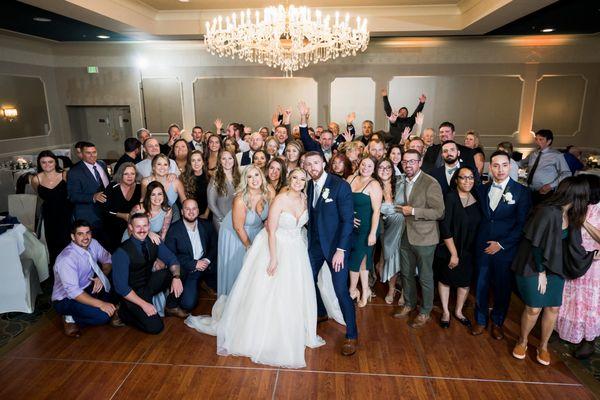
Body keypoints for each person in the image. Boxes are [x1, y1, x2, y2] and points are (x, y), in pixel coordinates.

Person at [186, 168, 339, 368]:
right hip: (275, 247)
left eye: (302, 179)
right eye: (295, 178)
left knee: (292, 290)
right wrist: (274, 258)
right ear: (289, 179)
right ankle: (264, 331)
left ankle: (289, 329)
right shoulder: (279, 199)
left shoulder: (305, 198)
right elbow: (271, 230)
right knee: (268, 289)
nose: (298, 182)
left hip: (297, 249)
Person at [512, 177, 591, 365]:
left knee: (553, 307)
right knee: (534, 308)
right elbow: (537, 246)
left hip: (555, 266)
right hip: (533, 264)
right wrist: (541, 272)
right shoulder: (547, 212)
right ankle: (522, 341)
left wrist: (590, 255)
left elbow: (572, 245)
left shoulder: (570, 215)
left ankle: (543, 346)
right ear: (577, 195)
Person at [472, 151, 531, 339]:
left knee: (502, 287)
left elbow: (522, 225)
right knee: (480, 285)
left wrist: (501, 244)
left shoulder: (521, 192)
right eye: (496, 165)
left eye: (504, 165)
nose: (500, 169)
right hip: (482, 246)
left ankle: (498, 321)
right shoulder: (481, 189)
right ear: (490, 167)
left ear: (510, 166)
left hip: (505, 250)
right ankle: (480, 320)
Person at [393, 150, 445, 329]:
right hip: (405, 235)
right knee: (406, 273)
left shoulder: (431, 183)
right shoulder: (401, 180)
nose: (408, 165)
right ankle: (409, 303)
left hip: (425, 238)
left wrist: (413, 211)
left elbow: (439, 212)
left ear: (420, 162)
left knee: (424, 276)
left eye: (412, 162)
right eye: (405, 162)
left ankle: (425, 311)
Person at [112, 213, 186, 334]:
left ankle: (171, 306)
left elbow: (172, 259)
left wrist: (176, 277)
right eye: (138, 227)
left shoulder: (153, 240)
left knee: (180, 271)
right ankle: (122, 312)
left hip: (148, 284)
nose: (142, 230)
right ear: (130, 227)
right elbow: (121, 288)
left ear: (149, 226)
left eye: (145, 226)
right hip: (131, 293)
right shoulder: (121, 252)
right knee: (155, 327)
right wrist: (144, 304)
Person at [557, 174, 600, 359]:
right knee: (570, 299)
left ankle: (588, 340)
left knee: (588, 303)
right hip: (573, 260)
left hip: (593, 264)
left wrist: (584, 221)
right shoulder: (577, 205)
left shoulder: (598, 209)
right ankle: (566, 330)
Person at [434, 166, 482, 329]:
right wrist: (454, 254)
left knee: (464, 282)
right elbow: (445, 227)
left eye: (470, 177)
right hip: (450, 247)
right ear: (456, 180)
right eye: (463, 177)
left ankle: (459, 311)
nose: (467, 181)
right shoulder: (450, 197)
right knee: (446, 280)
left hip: (469, 249)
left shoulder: (476, 196)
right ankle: (446, 311)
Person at [52, 220, 118, 337]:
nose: (85, 237)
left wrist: (100, 276)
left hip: (87, 288)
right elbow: (74, 292)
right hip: (66, 299)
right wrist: (101, 304)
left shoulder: (93, 243)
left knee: (116, 281)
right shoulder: (66, 259)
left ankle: (105, 307)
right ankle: (69, 317)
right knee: (103, 316)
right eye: (80, 234)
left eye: (87, 233)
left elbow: (108, 261)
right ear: (73, 236)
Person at [217, 165, 274, 296]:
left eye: (256, 175)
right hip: (235, 233)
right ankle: (232, 301)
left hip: (257, 232)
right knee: (240, 268)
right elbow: (238, 227)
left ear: (261, 176)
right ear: (245, 180)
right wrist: (249, 246)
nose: (254, 179)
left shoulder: (269, 190)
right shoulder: (240, 199)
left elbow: (273, 211)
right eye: (249, 177)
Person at [165, 199, 217, 312]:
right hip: (188, 270)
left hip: (206, 265)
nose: (191, 212)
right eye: (187, 209)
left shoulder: (206, 225)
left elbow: (215, 245)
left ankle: (205, 282)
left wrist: (207, 260)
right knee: (188, 304)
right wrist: (194, 264)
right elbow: (171, 256)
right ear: (182, 212)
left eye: (194, 209)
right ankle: (196, 284)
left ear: (198, 211)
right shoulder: (174, 230)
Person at [347, 157, 382, 307]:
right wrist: (349, 218)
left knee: (356, 259)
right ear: (359, 165)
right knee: (362, 261)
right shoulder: (351, 178)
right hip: (350, 227)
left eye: (370, 166)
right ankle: (366, 290)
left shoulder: (374, 185)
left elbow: (377, 211)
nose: (366, 168)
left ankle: (352, 291)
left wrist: (373, 233)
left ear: (374, 169)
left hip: (367, 228)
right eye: (363, 164)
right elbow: (343, 201)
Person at [31, 150, 72, 265]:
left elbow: (71, 194)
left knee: (68, 242)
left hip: (65, 213)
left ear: (55, 162)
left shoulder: (64, 175)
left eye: (50, 162)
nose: (47, 165)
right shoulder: (36, 179)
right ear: (39, 164)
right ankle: (57, 272)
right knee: (53, 244)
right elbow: (41, 196)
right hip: (49, 215)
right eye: (43, 162)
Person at [66, 142, 111, 248]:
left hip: (106, 213)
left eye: (94, 152)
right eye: (88, 153)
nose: (92, 155)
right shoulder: (75, 171)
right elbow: (72, 196)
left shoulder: (102, 164)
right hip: (89, 215)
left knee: (107, 245)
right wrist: (93, 197)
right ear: (82, 154)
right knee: (92, 246)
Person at [377, 158, 406, 305]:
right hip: (385, 229)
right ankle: (391, 288)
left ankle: (404, 292)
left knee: (403, 258)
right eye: (381, 167)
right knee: (390, 258)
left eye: (388, 167)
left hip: (403, 228)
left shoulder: (401, 182)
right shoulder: (374, 185)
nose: (384, 170)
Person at [519, 129, 572, 205]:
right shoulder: (533, 154)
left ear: (549, 141)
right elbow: (521, 163)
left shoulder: (557, 155)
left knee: (540, 213)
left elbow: (566, 173)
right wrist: (507, 160)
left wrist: (551, 186)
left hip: (545, 192)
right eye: (536, 139)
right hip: (530, 190)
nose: (537, 142)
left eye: (541, 139)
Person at [103, 163, 141, 252]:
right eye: (126, 174)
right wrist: (122, 215)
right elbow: (105, 209)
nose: (129, 176)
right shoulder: (113, 187)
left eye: (132, 174)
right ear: (121, 175)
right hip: (113, 226)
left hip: (134, 226)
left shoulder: (140, 188)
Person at [141, 154, 186, 222]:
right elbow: (143, 200)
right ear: (153, 167)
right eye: (159, 164)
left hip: (172, 216)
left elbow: (184, 201)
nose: (162, 167)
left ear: (168, 168)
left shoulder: (176, 182)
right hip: (151, 216)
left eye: (165, 164)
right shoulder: (146, 182)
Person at [207, 150, 240, 231]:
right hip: (221, 220)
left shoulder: (239, 177)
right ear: (220, 161)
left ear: (234, 160)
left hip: (238, 219)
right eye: (223, 159)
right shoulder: (215, 179)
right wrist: (223, 219)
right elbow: (211, 204)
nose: (227, 161)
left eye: (230, 158)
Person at [181, 150, 209, 219]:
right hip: (189, 213)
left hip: (206, 213)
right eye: (193, 160)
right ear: (190, 163)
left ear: (203, 162)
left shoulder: (210, 178)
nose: (196, 163)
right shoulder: (183, 178)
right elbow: (183, 200)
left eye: (199, 160)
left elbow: (212, 200)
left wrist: (206, 214)